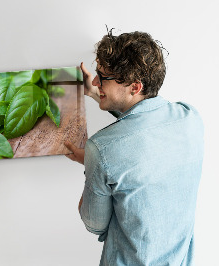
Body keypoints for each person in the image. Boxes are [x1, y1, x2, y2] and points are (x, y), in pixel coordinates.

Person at [65, 30, 204, 265]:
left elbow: (93, 224)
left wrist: (92, 164)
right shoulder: (190, 118)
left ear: (135, 86)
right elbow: (143, 122)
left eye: (103, 77)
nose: (96, 81)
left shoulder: (101, 149)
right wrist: (95, 93)